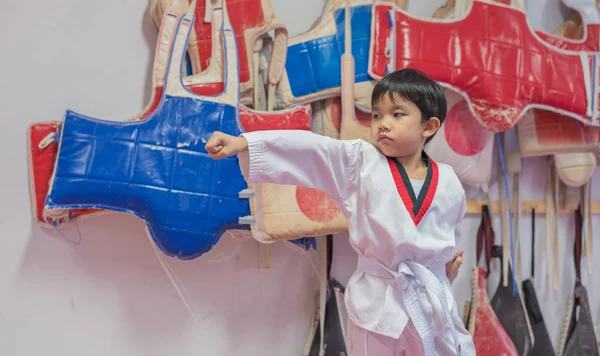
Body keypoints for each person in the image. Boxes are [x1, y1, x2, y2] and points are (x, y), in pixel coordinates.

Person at [205, 68, 475, 355]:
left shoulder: (449, 181)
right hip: (377, 302)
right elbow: (312, 149)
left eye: (397, 114)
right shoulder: (360, 162)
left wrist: (444, 270)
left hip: (429, 300)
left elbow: (448, 235)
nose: (382, 124)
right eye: (376, 115)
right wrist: (246, 143)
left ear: (429, 126)